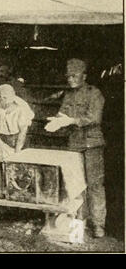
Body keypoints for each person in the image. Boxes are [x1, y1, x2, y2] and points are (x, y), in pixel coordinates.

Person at [44, 58, 106, 238]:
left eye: (74, 75)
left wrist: (70, 121)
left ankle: (98, 225)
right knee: (75, 185)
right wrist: (58, 120)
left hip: (92, 144)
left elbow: (94, 118)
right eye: (68, 76)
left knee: (95, 184)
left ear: (84, 76)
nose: (70, 79)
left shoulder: (94, 93)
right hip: (74, 143)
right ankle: (80, 222)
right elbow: (64, 113)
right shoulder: (69, 95)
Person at [0, 84, 35, 157]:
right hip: (0, 137)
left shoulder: (22, 106)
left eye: (10, 102)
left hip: (19, 138)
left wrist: (17, 153)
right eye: (3, 99)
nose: (7, 104)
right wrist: (1, 144)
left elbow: (23, 132)